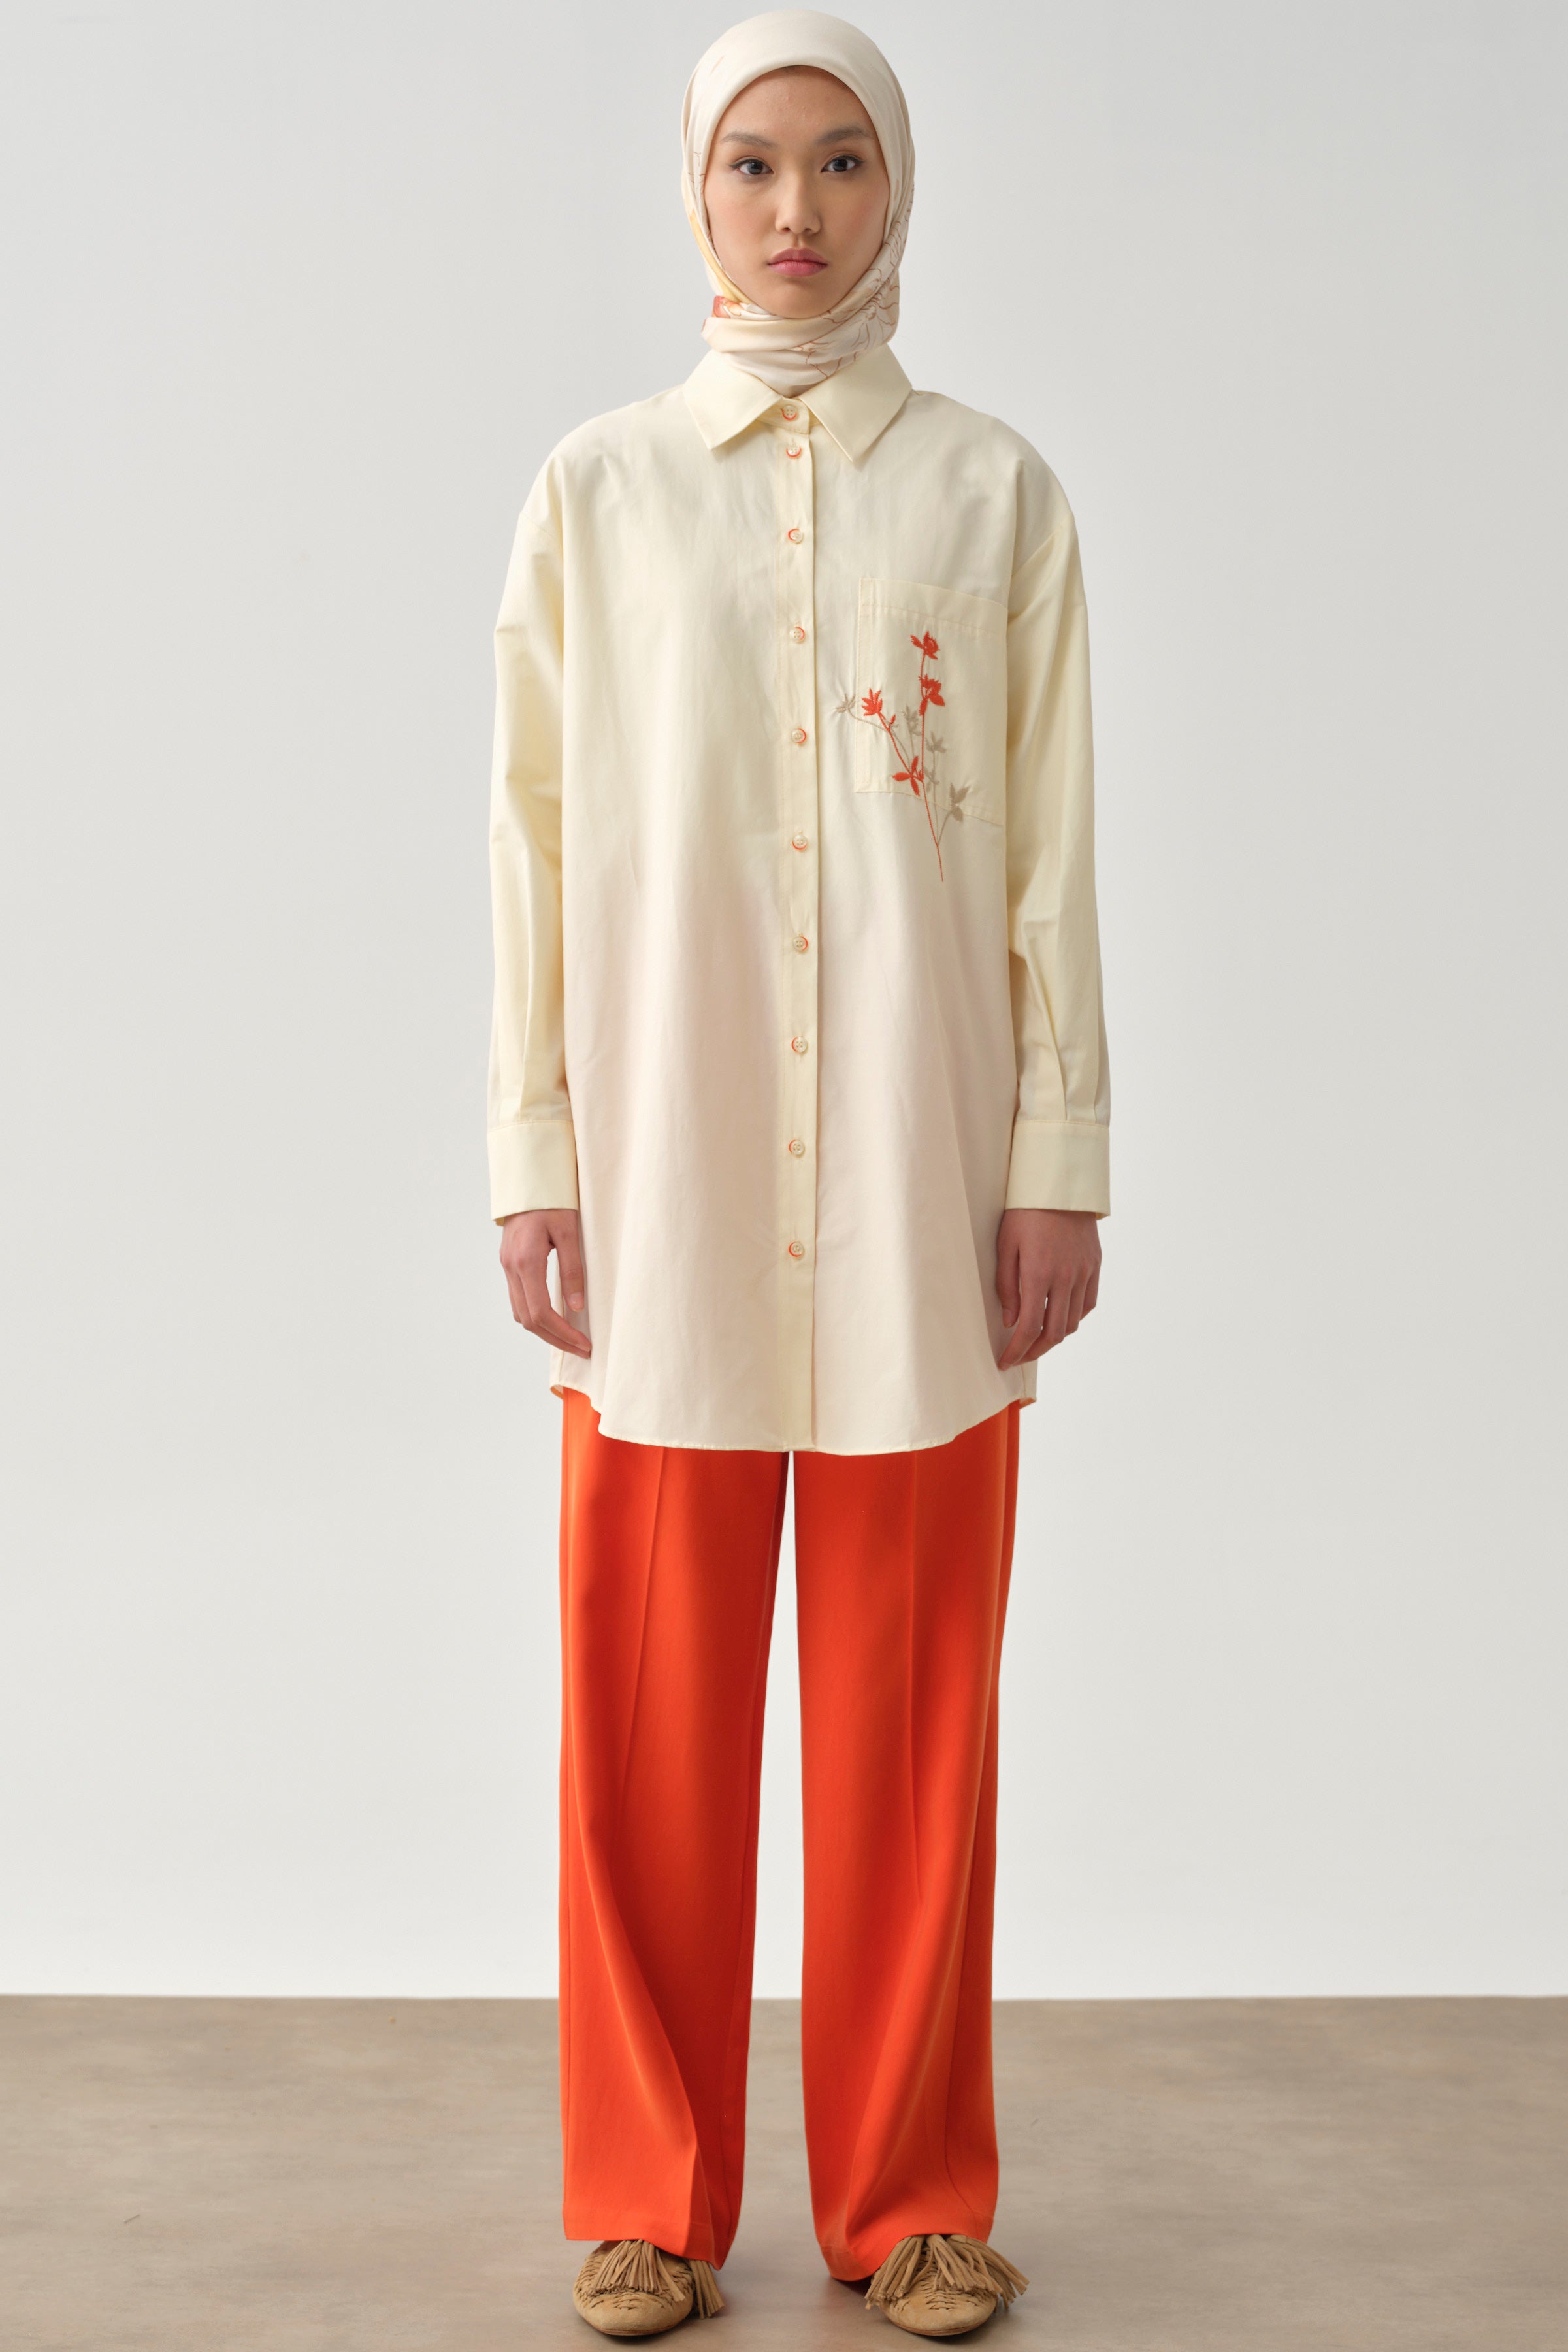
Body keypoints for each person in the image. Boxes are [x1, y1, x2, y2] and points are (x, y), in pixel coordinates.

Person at [487, 10, 1109, 2336]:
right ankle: (644, 2192)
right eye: (753, 162)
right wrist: (535, 1147)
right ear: (695, 190)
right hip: (664, 1171)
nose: (796, 209)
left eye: (842, 161)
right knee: (644, 1711)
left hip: (925, 1181)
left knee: (916, 1718)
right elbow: (532, 847)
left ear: (897, 188)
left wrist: (1057, 1155)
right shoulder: (599, 492)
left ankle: (915, 2192)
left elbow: (1049, 852)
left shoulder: (995, 495)